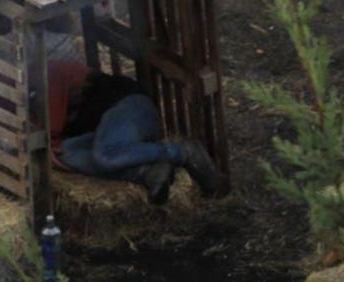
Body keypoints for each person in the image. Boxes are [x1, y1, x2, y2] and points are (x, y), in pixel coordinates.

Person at [47, 61, 224, 204]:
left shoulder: (47, 73)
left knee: (104, 155)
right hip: (111, 134)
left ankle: (182, 151)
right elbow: (54, 143)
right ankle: (146, 172)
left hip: (129, 107)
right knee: (65, 153)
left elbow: (51, 129)